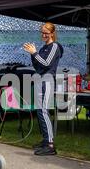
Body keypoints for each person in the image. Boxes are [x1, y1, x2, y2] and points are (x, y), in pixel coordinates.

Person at [23, 22, 63, 156]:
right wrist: (32, 54)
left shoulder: (54, 46)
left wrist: (34, 53)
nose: (44, 35)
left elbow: (46, 64)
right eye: (42, 32)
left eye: (46, 32)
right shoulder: (43, 48)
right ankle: (46, 141)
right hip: (40, 79)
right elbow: (38, 66)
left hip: (47, 80)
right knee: (40, 111)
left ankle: (50, 145)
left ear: (52, 33)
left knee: (43, 111)